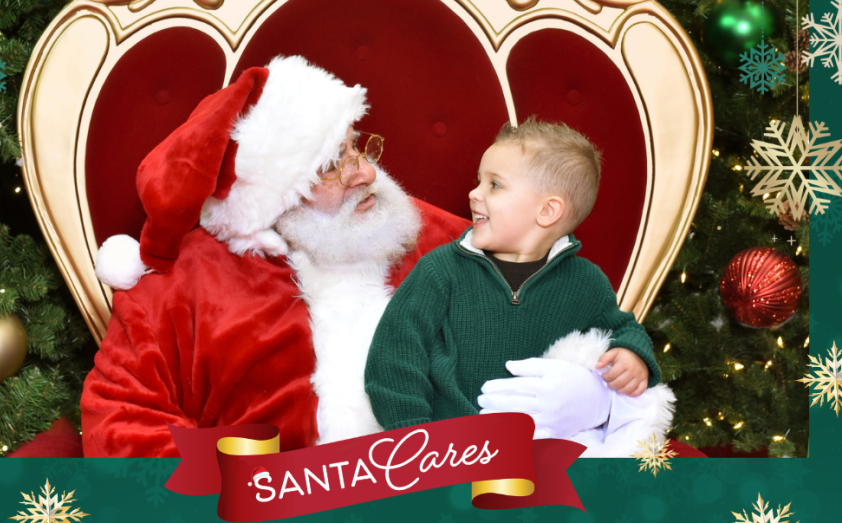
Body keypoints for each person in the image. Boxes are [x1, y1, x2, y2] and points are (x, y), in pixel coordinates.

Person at [81, 56, 671, 457]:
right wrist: (246, 486)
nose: (364, 172)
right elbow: (120, 416)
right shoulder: (183, 283)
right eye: (332, 165)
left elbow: (568, 314)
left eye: (357, 147)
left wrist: (594, 396)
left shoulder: (439, 237)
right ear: (273, 195)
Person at [366, 118, 675, 454]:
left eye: (495, 185)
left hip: (539, 455)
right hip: (449, 451)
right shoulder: (440, 271)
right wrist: (412, 435)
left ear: (547, 211)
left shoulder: (586, 282)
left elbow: (623, 328)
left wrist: (632, 354)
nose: (474, 193)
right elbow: (394, 353)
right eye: (479, 181)